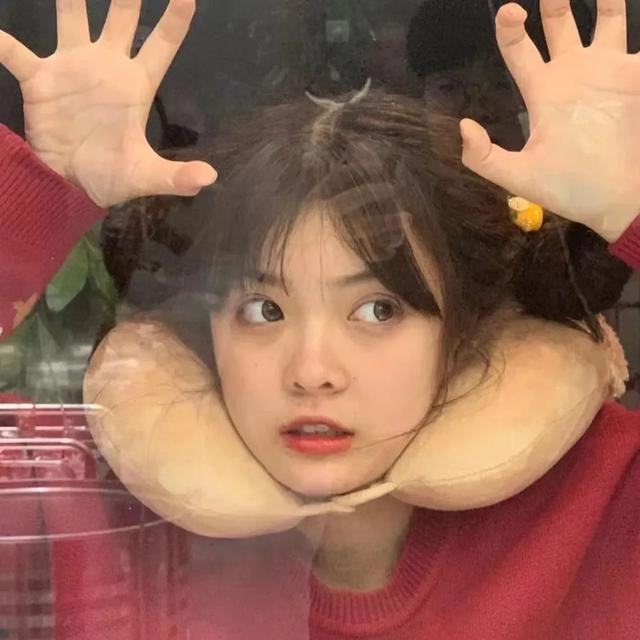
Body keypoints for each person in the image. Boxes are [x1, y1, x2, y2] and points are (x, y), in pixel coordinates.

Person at [1, 0, 640, 638]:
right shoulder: (73, 498)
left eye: (377, 310)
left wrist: (629, 214)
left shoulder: (608, 496)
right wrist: (38, 197)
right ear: (205, 332)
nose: (312, 372)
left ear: (464, 332)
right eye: (264, 311)